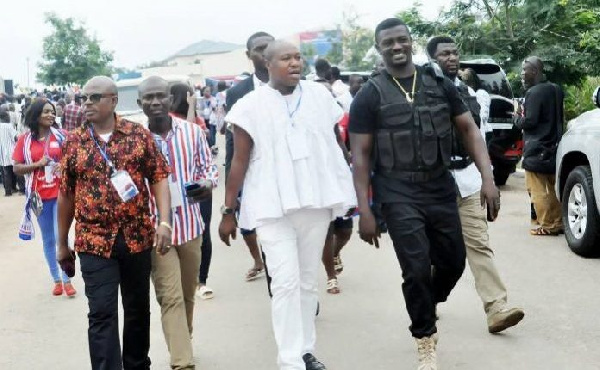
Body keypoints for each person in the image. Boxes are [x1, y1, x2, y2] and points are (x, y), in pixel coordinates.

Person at [349, 19, 500, 370]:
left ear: (411, 42)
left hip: (439, 186)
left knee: (453, 261)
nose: (396, 46)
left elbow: (468, 130)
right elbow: (360, 157)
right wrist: (365, 209)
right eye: (388, 42)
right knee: (415, 269)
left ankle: (427, 299)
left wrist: (488, 178)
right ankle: (425, 340)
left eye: (402, 40)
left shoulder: (438, 83)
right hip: (397, 191)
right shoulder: (369, 95)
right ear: (378, 46)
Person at [219, 40, 356, 370]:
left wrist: (348, 192)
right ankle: (290, 361)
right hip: (271, 205)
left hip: (315, 200)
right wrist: (228, 210)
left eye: (298, 57)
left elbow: (337, 144)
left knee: (308, 281)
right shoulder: (250, 106)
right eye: (286, 58)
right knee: (284, 281)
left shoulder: (320, 96)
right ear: (268, 64)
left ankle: (305, 350)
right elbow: (239, 160)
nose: (295, 62)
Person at [56, 76, 172, 370]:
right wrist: (61, 243)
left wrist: (164, 222)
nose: (87, 104)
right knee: (101, 313)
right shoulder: (74, 142)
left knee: (136, 310)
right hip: (93, 241)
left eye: (95, 98)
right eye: (84, 99)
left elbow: (158, 177)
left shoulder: (137, 135)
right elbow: (66, 195)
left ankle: (136, 365)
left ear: (114, 100)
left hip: (136, 236)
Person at [427, 36, 524, 333]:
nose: (451, 58)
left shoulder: (471, 94)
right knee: (440, 253)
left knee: (479, 244)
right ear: (431, 59)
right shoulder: (422, 93)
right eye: (444, 54)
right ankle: (427, 299)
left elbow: (478, 138)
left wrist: (489, 179)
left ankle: (496, 307)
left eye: (455, 53)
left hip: (468, 181)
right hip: (435, 185)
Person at [140, 76, 218, 369]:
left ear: (171, 100)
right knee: (169, 297)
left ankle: (183, 339)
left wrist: (207, 184)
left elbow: (208, 169)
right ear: (140, 104)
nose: (156, 102)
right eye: (149, 98)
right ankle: (182, 362)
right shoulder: (136, 140)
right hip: (156, 232)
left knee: (186, 296)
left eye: (161, 96)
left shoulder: (193, 133)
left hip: (190, 226)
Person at [12, 99, 76, 296]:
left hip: (61, 195)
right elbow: (16, 168)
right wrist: (38, 164)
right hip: (38, 198)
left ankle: (67, 280)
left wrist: (63, 165)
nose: (51, 115)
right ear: (36, 115)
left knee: (60, 237)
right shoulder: (25, 140)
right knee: (48, 240)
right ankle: (56, 280)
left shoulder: (62, 136)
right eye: (46, 112)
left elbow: (74, 160)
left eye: (53, 112)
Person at [225, 31, 274, 282]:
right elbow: (233, 148)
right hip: (255, 177)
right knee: (266, 236)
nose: (266, 51)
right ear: (249, 55)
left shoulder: (294, 85)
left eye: (270, 46)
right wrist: (229, 204)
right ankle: (277, 286)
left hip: (290, 177)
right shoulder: (237, 94)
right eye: (259, 48)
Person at [515, 56, 564, 236]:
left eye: (524, 70)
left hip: (537, 148)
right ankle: (558, 222)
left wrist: (516, 118)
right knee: (552, 188)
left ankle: (547, 224)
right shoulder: (556, 89)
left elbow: (530, 122)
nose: (522, 74)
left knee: (536, 189)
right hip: (555, 146)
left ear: (534, 71)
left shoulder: (534, 93)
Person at [459, 67, 493, 141]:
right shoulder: (467, 93)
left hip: (481, 132)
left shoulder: (481, 93)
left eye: (467, 81)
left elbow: (483, 116)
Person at [1, 108, 18, 196]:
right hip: (11, 151)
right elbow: (16, 138)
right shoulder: (9, 126)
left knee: (6, 172)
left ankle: (8, 191)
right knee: (15, 171)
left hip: (2, 153)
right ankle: (16, 188)